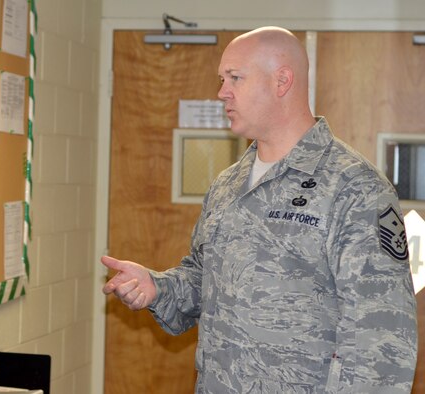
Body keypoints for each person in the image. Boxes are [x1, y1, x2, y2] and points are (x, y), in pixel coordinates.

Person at [102, 27, 418, 393]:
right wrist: (156, 288)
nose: (222, 92)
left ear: (282, 80)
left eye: (235, 77)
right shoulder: (227, 185)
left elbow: (382, 341)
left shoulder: (354, 188)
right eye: (222, 79)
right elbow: (203, 281)